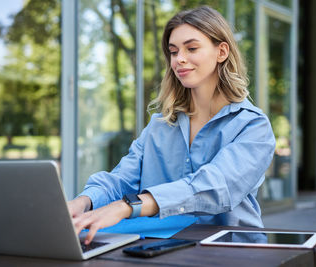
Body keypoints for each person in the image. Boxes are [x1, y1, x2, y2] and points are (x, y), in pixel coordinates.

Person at [68, 5, 276, 245]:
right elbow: (121, 179)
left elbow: (214, 187)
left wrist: (128, 206)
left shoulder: (252, 126)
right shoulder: (160, 125)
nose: (180, 59)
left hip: (230, 251)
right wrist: (82, 202)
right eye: (174, 51)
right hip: (159, 247)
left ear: (221, 52)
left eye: (192, 48)